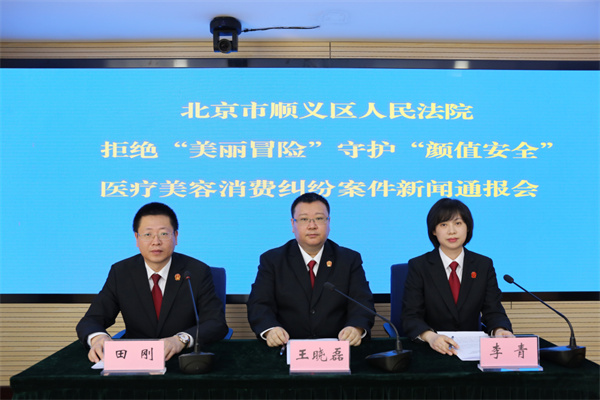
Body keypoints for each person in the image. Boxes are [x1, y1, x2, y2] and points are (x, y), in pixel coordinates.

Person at [76, 202, 229, 362]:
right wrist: (98, 338)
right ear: (137, 238)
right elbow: (91, 320)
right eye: (148, 234)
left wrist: (180, 339)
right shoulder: (121, 272)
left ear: (176, 237)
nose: (156, 241)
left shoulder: (196, 271)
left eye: (163, 234)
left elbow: (216, 323)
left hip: (183, 358)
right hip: (135, 360)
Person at [247, 192, 375, 347]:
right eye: (304, 219)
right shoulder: (273, 260)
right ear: (293, 224)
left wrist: (356, 328)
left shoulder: (349, 259)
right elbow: (259, 304)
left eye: (319, 218)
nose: (312, 225)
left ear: (328, 222)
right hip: (285, 348)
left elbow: (362, 302)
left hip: (338, 349)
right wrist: (271, 329)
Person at [402, 198, 514, 356]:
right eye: (443, 225)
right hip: (431, 349)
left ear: (468, 227)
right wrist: (430, 336)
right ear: (433, 230)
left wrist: (499, 330)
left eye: (458, 223)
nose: (452, 231)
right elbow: (411, 316)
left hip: (472, 351)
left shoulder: (483, 265)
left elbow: (493, 310)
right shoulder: (419, 266)